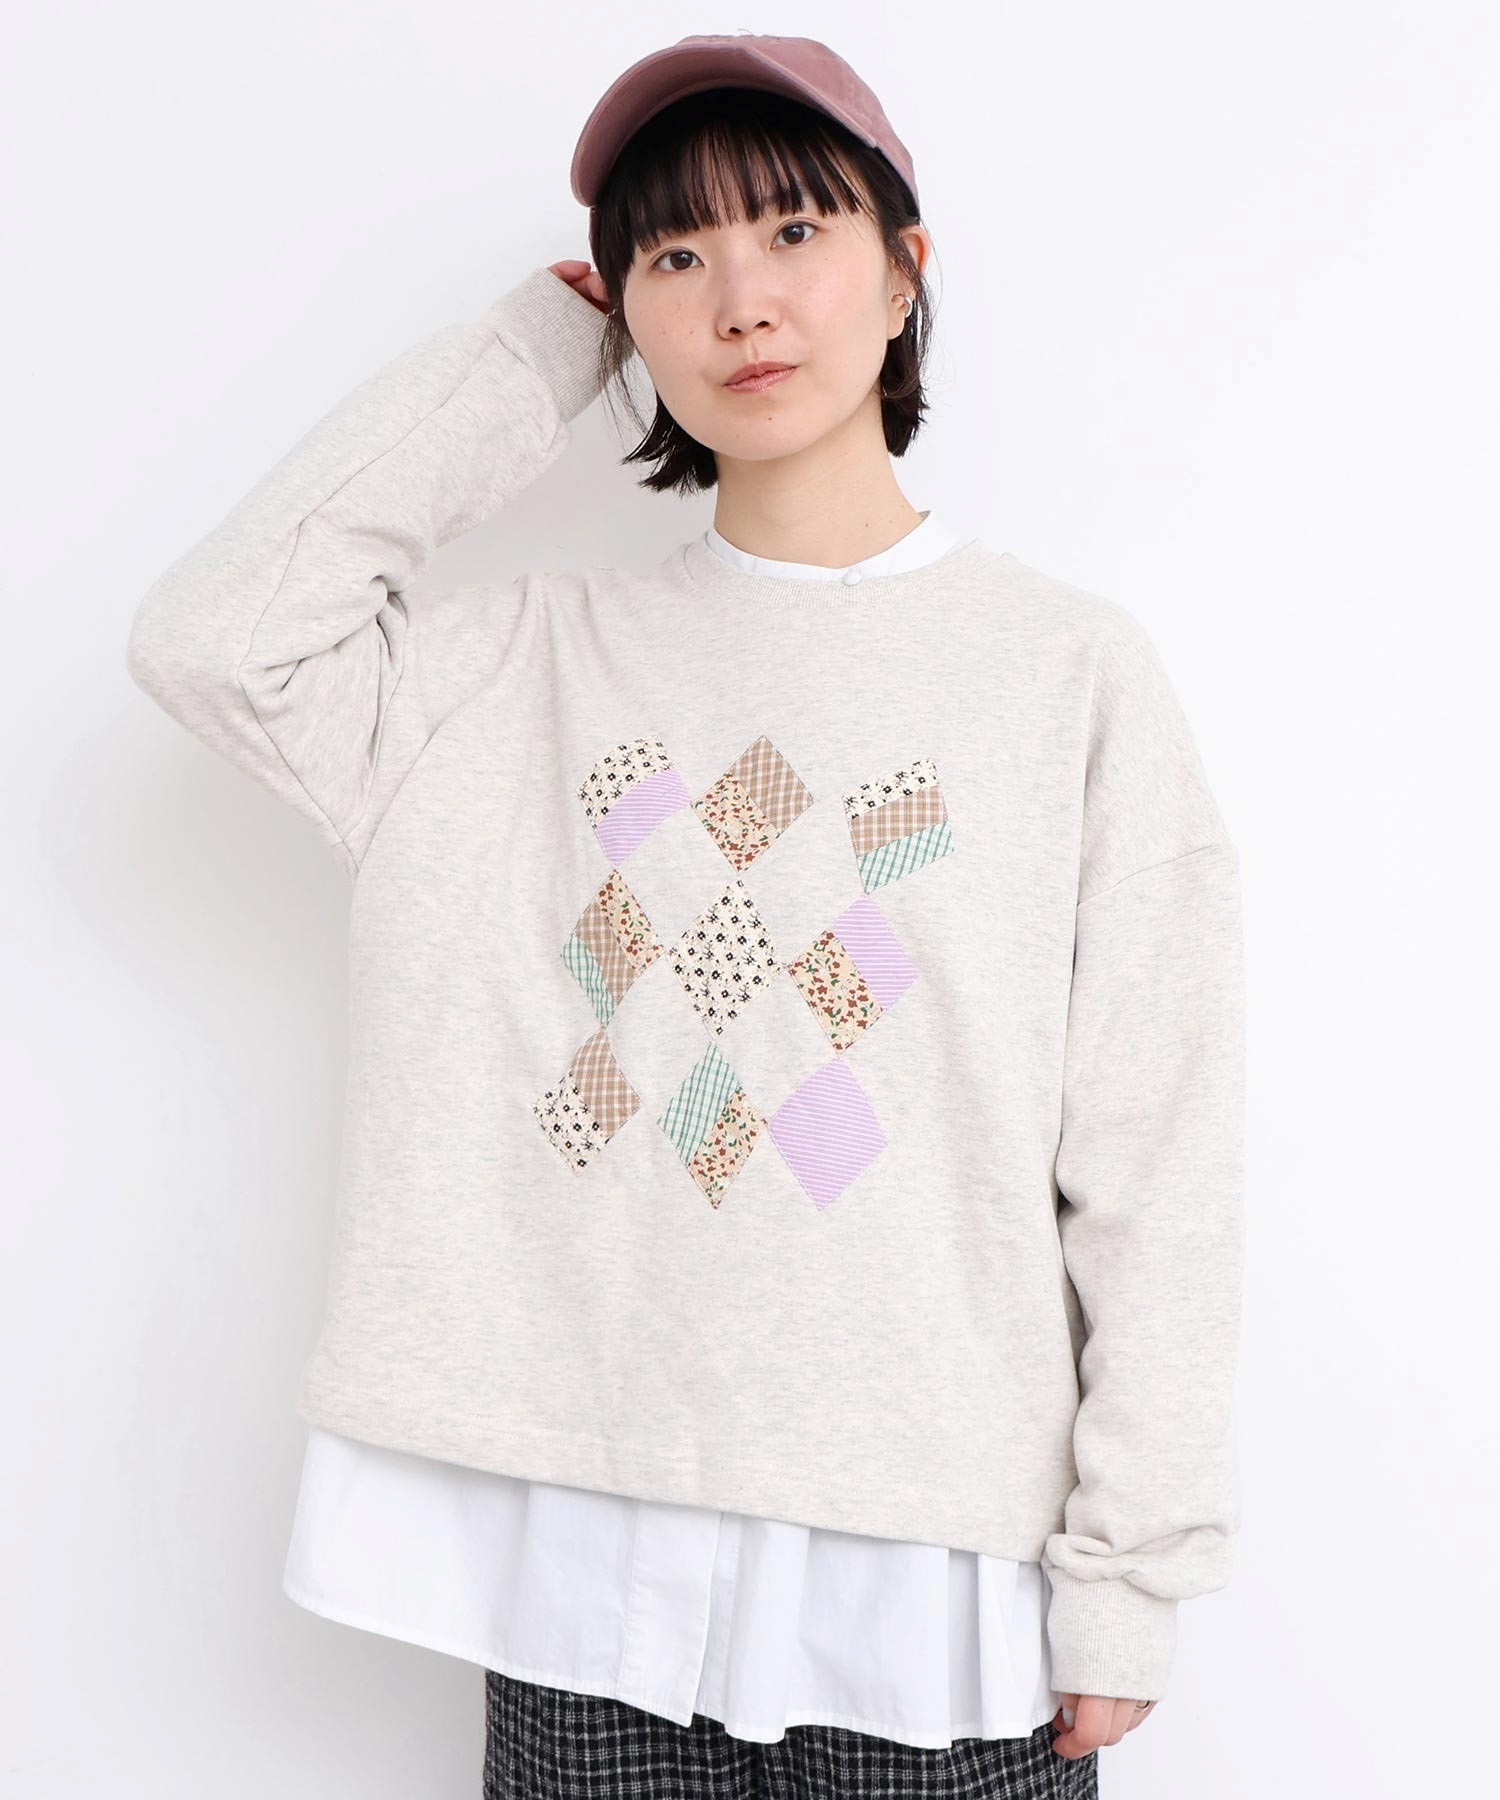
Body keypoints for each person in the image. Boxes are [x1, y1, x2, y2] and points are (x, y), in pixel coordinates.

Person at [126, 31, 1244, 1799]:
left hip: (928, 1598)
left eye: (795, 230)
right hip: (586, 1585)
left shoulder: (1065, 675)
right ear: (625, 320)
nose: (743, 301)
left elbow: (1156, 1163)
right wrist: (529, 358)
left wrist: (1132, 1576)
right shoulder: (520, 672)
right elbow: (216, 645)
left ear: (905, 272)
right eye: (674, 256)